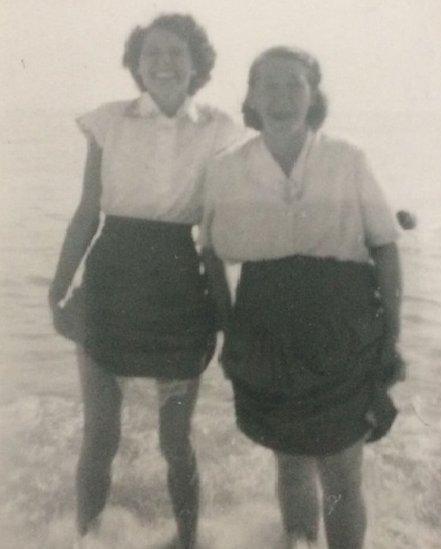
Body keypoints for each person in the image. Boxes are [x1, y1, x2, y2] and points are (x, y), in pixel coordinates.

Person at [47, 13, 240, 549]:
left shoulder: (220, 128)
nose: (163, 62)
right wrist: (57, 286)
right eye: (151, 52)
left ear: (197, 64)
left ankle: (189, 540)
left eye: (176, 52)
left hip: (179, 285)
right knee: (100, 436)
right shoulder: (107, 121)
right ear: (135, 64)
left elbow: (218, 231)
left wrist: (226, 313)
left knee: (176, 442)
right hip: (111, 282)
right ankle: (87, 539)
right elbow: (87, 212)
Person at [200, 46, 402, 549]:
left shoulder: (346, 157)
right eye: (269, 84)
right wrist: (230, 330)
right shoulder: (227, 167)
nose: (282, 96)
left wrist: (391, 339)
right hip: (265, 327)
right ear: (251, 96)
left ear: (313, 95)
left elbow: (385, 247)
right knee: (289, 460)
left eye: (294, 84)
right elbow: (210, 256)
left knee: (341, 471)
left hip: (343, 328)